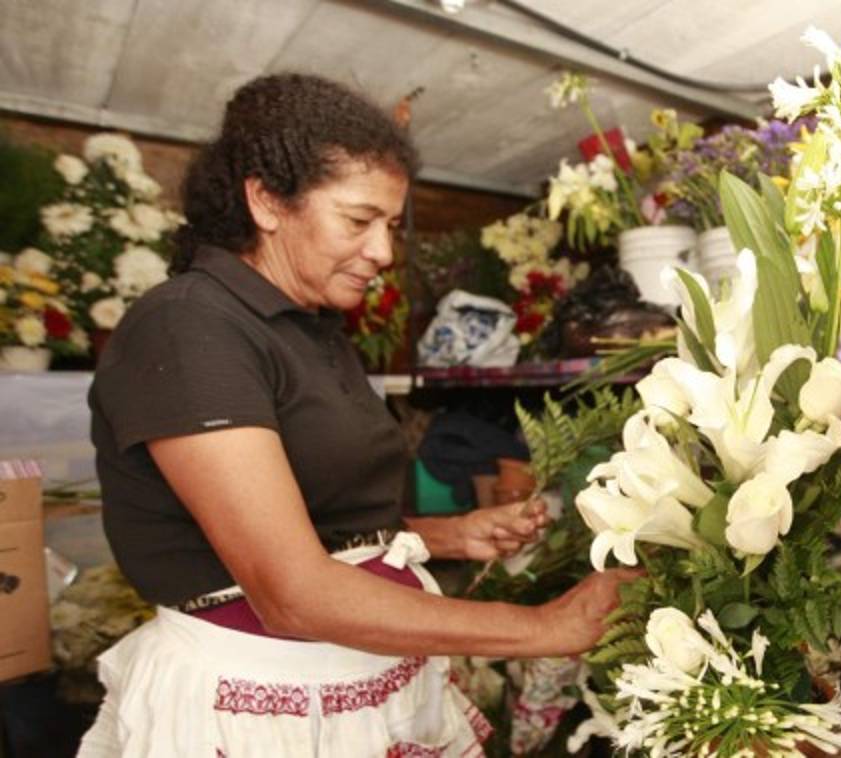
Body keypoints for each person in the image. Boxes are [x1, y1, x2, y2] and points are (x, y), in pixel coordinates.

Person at [78, 73, 634, 757]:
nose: (383, 252)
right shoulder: (189, 328)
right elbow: (293, 592)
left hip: (357, 682)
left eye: (391, 227)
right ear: (266, 201)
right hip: (264, 705)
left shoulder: (308, 327)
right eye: (358, 220)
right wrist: (546, 627)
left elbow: (321, 526)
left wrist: (450, 536)